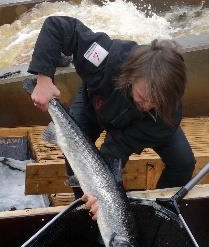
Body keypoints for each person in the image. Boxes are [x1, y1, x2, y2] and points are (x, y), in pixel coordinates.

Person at [27, 16, 195, 218]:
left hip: (140, 127)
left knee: (184, 162)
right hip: (96, 105)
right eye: (142, 97)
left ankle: (159, 212)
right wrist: (44, 77)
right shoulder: (104, 57)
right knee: (76, 153)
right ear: (132, 76)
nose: (147, 105)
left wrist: (107, 195)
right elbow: (58, 26)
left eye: (154, 102)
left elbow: (115, 149)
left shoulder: (166, 115)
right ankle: (86, 208)